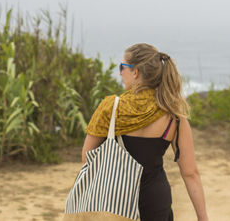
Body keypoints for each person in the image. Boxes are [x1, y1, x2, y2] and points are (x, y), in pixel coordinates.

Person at [81, 43, 209, 221]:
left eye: (122, 67)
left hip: (114, 202)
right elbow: (190, 173)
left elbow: (87, 157)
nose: (120, 73)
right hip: (155, 201)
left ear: (136, 72)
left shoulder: (111, 108)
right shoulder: (173, 115)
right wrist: (203, 218)